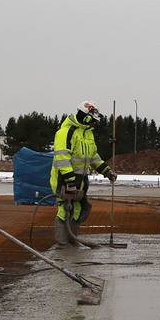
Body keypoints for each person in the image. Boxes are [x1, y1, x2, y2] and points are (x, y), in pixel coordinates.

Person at [50, 101, 117, 247]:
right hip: (65, 178)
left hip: (80, 179)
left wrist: (106, 171)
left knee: (81, 208)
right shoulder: (66, 132)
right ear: (86, 117)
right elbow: (62, 157)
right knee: (65, 209)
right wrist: (69, 180)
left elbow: (93, 157)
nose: (93, 124)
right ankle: (62, 243)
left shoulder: (87, 134)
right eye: (92, 120)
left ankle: (72, 239)